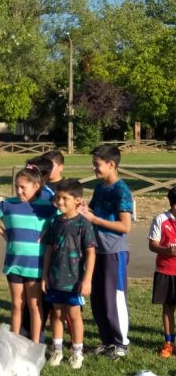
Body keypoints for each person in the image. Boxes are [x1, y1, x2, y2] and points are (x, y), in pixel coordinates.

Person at [0, 166, 57, 343]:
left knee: (34, 304)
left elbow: (60, 219)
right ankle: (14, 341)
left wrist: (46, 234)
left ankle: (36, 342)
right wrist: (2, 232)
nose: (19, 191)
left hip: (35, 265)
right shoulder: (8, 204)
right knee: (17, 304)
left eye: (23, 187)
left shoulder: (46, 208)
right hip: (14, 263)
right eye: (17, 186)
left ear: (36, 186)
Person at [79, 144, 133, 359]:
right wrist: (84, 209)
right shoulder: (100, 188)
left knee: (114, 298)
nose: (94, 168)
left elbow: (125, 226)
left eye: (97, 164)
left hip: (114, 252)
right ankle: (107, 341)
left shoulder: (122, 190)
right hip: (97, 250)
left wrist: (95, 219)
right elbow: (93, 212)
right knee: (99, 299)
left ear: (111, 164)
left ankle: (121, 343)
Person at [41, 179, 96, 369]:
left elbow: (90, 253)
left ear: (78, 201)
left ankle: (77, 352)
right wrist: (45, 275)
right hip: (55, 278)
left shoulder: (84, 224)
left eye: (65, 198)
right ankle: (57, 350)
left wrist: (87, 280)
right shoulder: (55, 222)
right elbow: (48, 249)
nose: (60, 202)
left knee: (74, 315)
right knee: (57, 314)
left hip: (74, 280)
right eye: (58, 198)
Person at [147, 187, 176, 358]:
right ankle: (168, 343)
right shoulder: (160, 219)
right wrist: (167, 250)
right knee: (168, 308)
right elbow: (152, 245)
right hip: (166, 271)